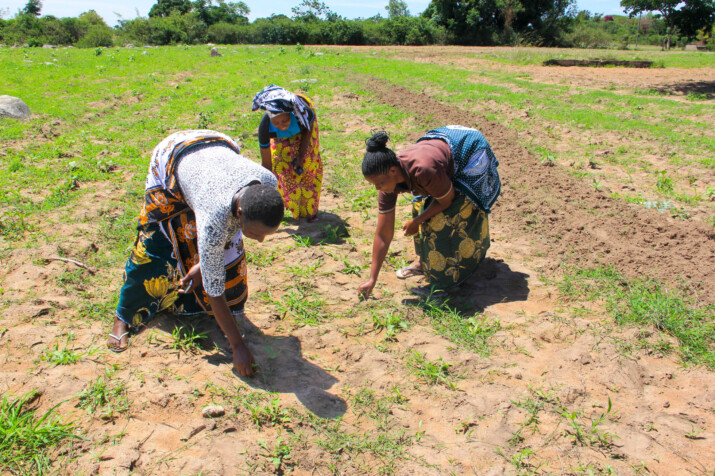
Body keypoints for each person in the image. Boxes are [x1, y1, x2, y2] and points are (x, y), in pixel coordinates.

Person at [107, 130, 284, 377]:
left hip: (217, 151)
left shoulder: (268, 183)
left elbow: (229, 232)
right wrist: (238, 346)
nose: (261, 239)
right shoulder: (214, 216)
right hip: (172, 158)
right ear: (240, 212)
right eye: (256, 233)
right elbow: (215, 289)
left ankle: (222, 315)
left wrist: (204, 266)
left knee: (231, 252)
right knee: (155, 246)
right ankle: (124, 316)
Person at [358, 126, 501, 298]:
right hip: (440, 158)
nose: (377, 189)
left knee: (443, 221)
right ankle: (425, 264)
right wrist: (372, 278)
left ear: (393, 171)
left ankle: (445, 282)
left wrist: (418, 221)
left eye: (379, 183)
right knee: (420, 207)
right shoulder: (387, 182)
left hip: (469, 150)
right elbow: (383, 234)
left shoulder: (423, 169)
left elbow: (446, 200)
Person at [251, 85, 323, 222]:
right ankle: (284, 204)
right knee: (280, 166)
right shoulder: (265, 127)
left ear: (290, 114)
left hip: (304, 128)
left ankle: (310, 211)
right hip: (280, 138)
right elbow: (267, 163)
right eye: (276, 122)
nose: (282, 124)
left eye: (285, 120)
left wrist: (301, 156)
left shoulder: (303, 113)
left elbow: (307, 132)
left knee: (308, 165)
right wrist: (266, 187)